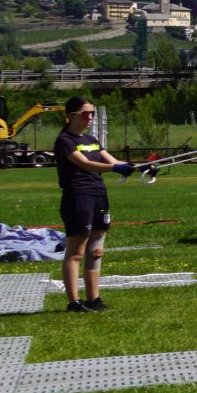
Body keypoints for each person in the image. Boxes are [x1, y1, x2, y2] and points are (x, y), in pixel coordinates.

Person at [52, 96, 136, 314]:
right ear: (71, 116)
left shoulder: (92, 140)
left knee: (97, 250)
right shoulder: (65, 140)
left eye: (91, 113)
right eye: (85, 113)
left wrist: (141, 167)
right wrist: (116, 169)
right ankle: (74, 302)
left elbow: (113, 161)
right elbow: (86, 164)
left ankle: (94, 298)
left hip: (99, 194)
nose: (89, 117)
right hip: (78, 197)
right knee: (76, 252)